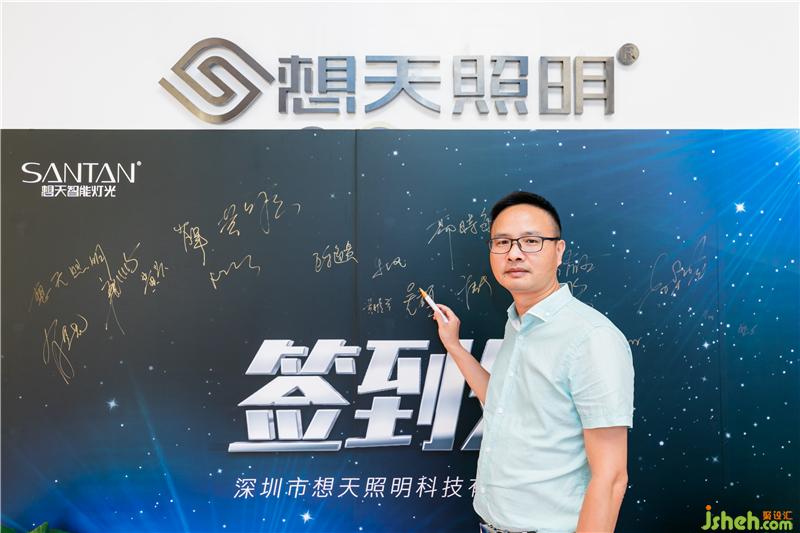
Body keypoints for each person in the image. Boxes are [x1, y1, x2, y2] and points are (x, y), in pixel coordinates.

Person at [433, 191, 634, 533]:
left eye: (531, 241)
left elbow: (612, 476)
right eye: (502, 242)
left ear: (559, 251)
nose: (514, 253)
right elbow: (500, 401)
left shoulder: (591, 337)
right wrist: (454, 346)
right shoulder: (519, 323)